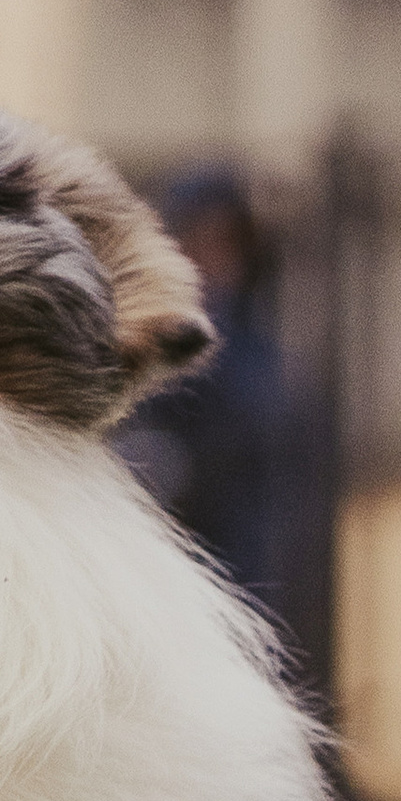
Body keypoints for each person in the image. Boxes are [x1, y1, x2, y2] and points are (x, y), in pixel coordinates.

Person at [113, 169, 320, 661]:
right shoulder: (164, 341)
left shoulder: (255, 344)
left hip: (257, 563)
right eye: (199, 242)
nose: (215, 259)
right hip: (186, 574)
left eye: (227, 244)